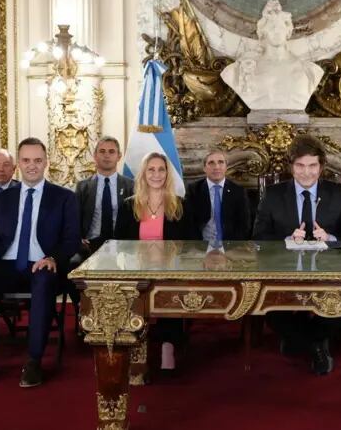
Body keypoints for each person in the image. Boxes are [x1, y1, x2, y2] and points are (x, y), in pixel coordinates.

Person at [0, 137, 80, 388]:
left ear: (46, 162)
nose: (32, 165)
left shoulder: (64, 197)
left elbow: (71, 240)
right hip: (5, 264)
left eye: (37, 160)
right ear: (19, 164)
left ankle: (34, 361)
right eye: (26, 160)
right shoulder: (3, 198)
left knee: (44, 278)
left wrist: (53, 258)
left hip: (42, 264)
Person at [252, 134, 341, 375]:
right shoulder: (273, 194)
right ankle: (318, 344)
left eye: (312, 166)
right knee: (272, 312)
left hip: (329, 275)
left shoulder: (339, 193)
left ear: (321, 166)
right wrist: (286, 241)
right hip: (284, 276)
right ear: (291, 166)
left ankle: (300, 341)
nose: (306, 172)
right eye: (300, 166)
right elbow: (258, 238)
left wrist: (330, 238)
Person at [115, 152, 186, 375]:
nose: (156, 174)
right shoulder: (129, 206)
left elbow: (190, 244)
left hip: (170, 270)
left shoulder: (179, 205)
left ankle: (168, 345)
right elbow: (119, 245)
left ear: (167, 173)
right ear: (143, 174)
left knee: (170, 291)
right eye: (151, 169)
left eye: (161, 169)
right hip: (136, 271)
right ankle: (135, 348)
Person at [74, 136, 134, 261]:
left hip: (120, 245)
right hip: (90, 245)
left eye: (111, 152)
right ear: (95, 156)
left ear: (119, 156)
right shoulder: (83, 186)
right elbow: (74, 219)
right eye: (102, 151)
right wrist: (78, 239)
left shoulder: (130, 186)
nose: (107, 155)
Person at [184, 149, 250, 242]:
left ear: (226, 167)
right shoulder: (193, 190)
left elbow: (243, 225)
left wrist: (233, 246)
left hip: (230, 245)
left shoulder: (238, 191)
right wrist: (197, 246)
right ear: (204, 168)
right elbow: (188, 224)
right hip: (201, 245)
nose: (216, 167)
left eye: (221, 162)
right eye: (211, 163)